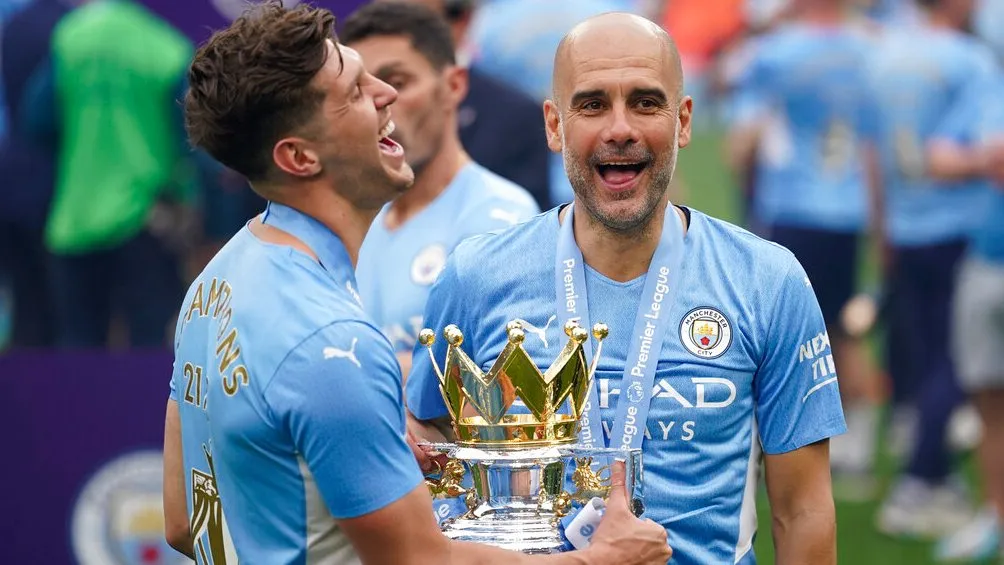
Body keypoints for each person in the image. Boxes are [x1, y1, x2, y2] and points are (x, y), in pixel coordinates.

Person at [162, 3, 672, 564]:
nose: (386, 94)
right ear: (300, 156)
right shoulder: (333, 343)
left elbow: (183, 521)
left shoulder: (214, 283)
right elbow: (421, 561)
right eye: (355, 92)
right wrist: (600, 560)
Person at [408, 13, 846, 565]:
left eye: (645, 103)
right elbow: (427, 436)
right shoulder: (477, 275)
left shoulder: (767, 280)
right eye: (592, 105)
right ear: (554, 126)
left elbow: (802, 510)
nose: (620, 129)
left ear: (683, 121)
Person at [725, 0, 885, 492]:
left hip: (790, 206)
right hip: (845, 207)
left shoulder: (775, 52)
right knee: (842, 328)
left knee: (771, 330)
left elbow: (742, 143)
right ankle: (857, 447)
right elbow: (873, 141)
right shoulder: (869, 47)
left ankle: (769, 441)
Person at [341, 2, 539, 379]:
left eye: (398, 82)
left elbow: (495, 383)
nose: (379, 105)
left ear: (453, 86)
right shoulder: (350, 221)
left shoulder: (500, 218)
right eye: (359, 91)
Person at [867, 0, 1000, 538]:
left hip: (906, 223)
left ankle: (930, 468)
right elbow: (981, 151)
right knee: (959, 364)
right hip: (962, 227)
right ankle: (922, 479)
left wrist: (882, 226)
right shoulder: (971, 59)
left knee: (928, 358)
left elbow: (872, 154)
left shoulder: (884, 55)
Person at [19, 0, 196, 348]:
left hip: (76, 216)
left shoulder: (71, 38)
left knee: (80, 345)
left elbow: (36, 119)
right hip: (144, 213)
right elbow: (192, 129)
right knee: (150, 345)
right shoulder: (162, 45)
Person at [926, 67, 1004, 563]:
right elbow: (936, 158)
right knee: (988, 401)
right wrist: (985, 158)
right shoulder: (988, 86)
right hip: (987, 258)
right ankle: (997, 517)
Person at [374, 0, 556, 211]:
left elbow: (531, 225)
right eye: (381, 18)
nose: (389, 33)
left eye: (411, 22)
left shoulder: (516, 116)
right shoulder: (358, 104)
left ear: (461, 20)